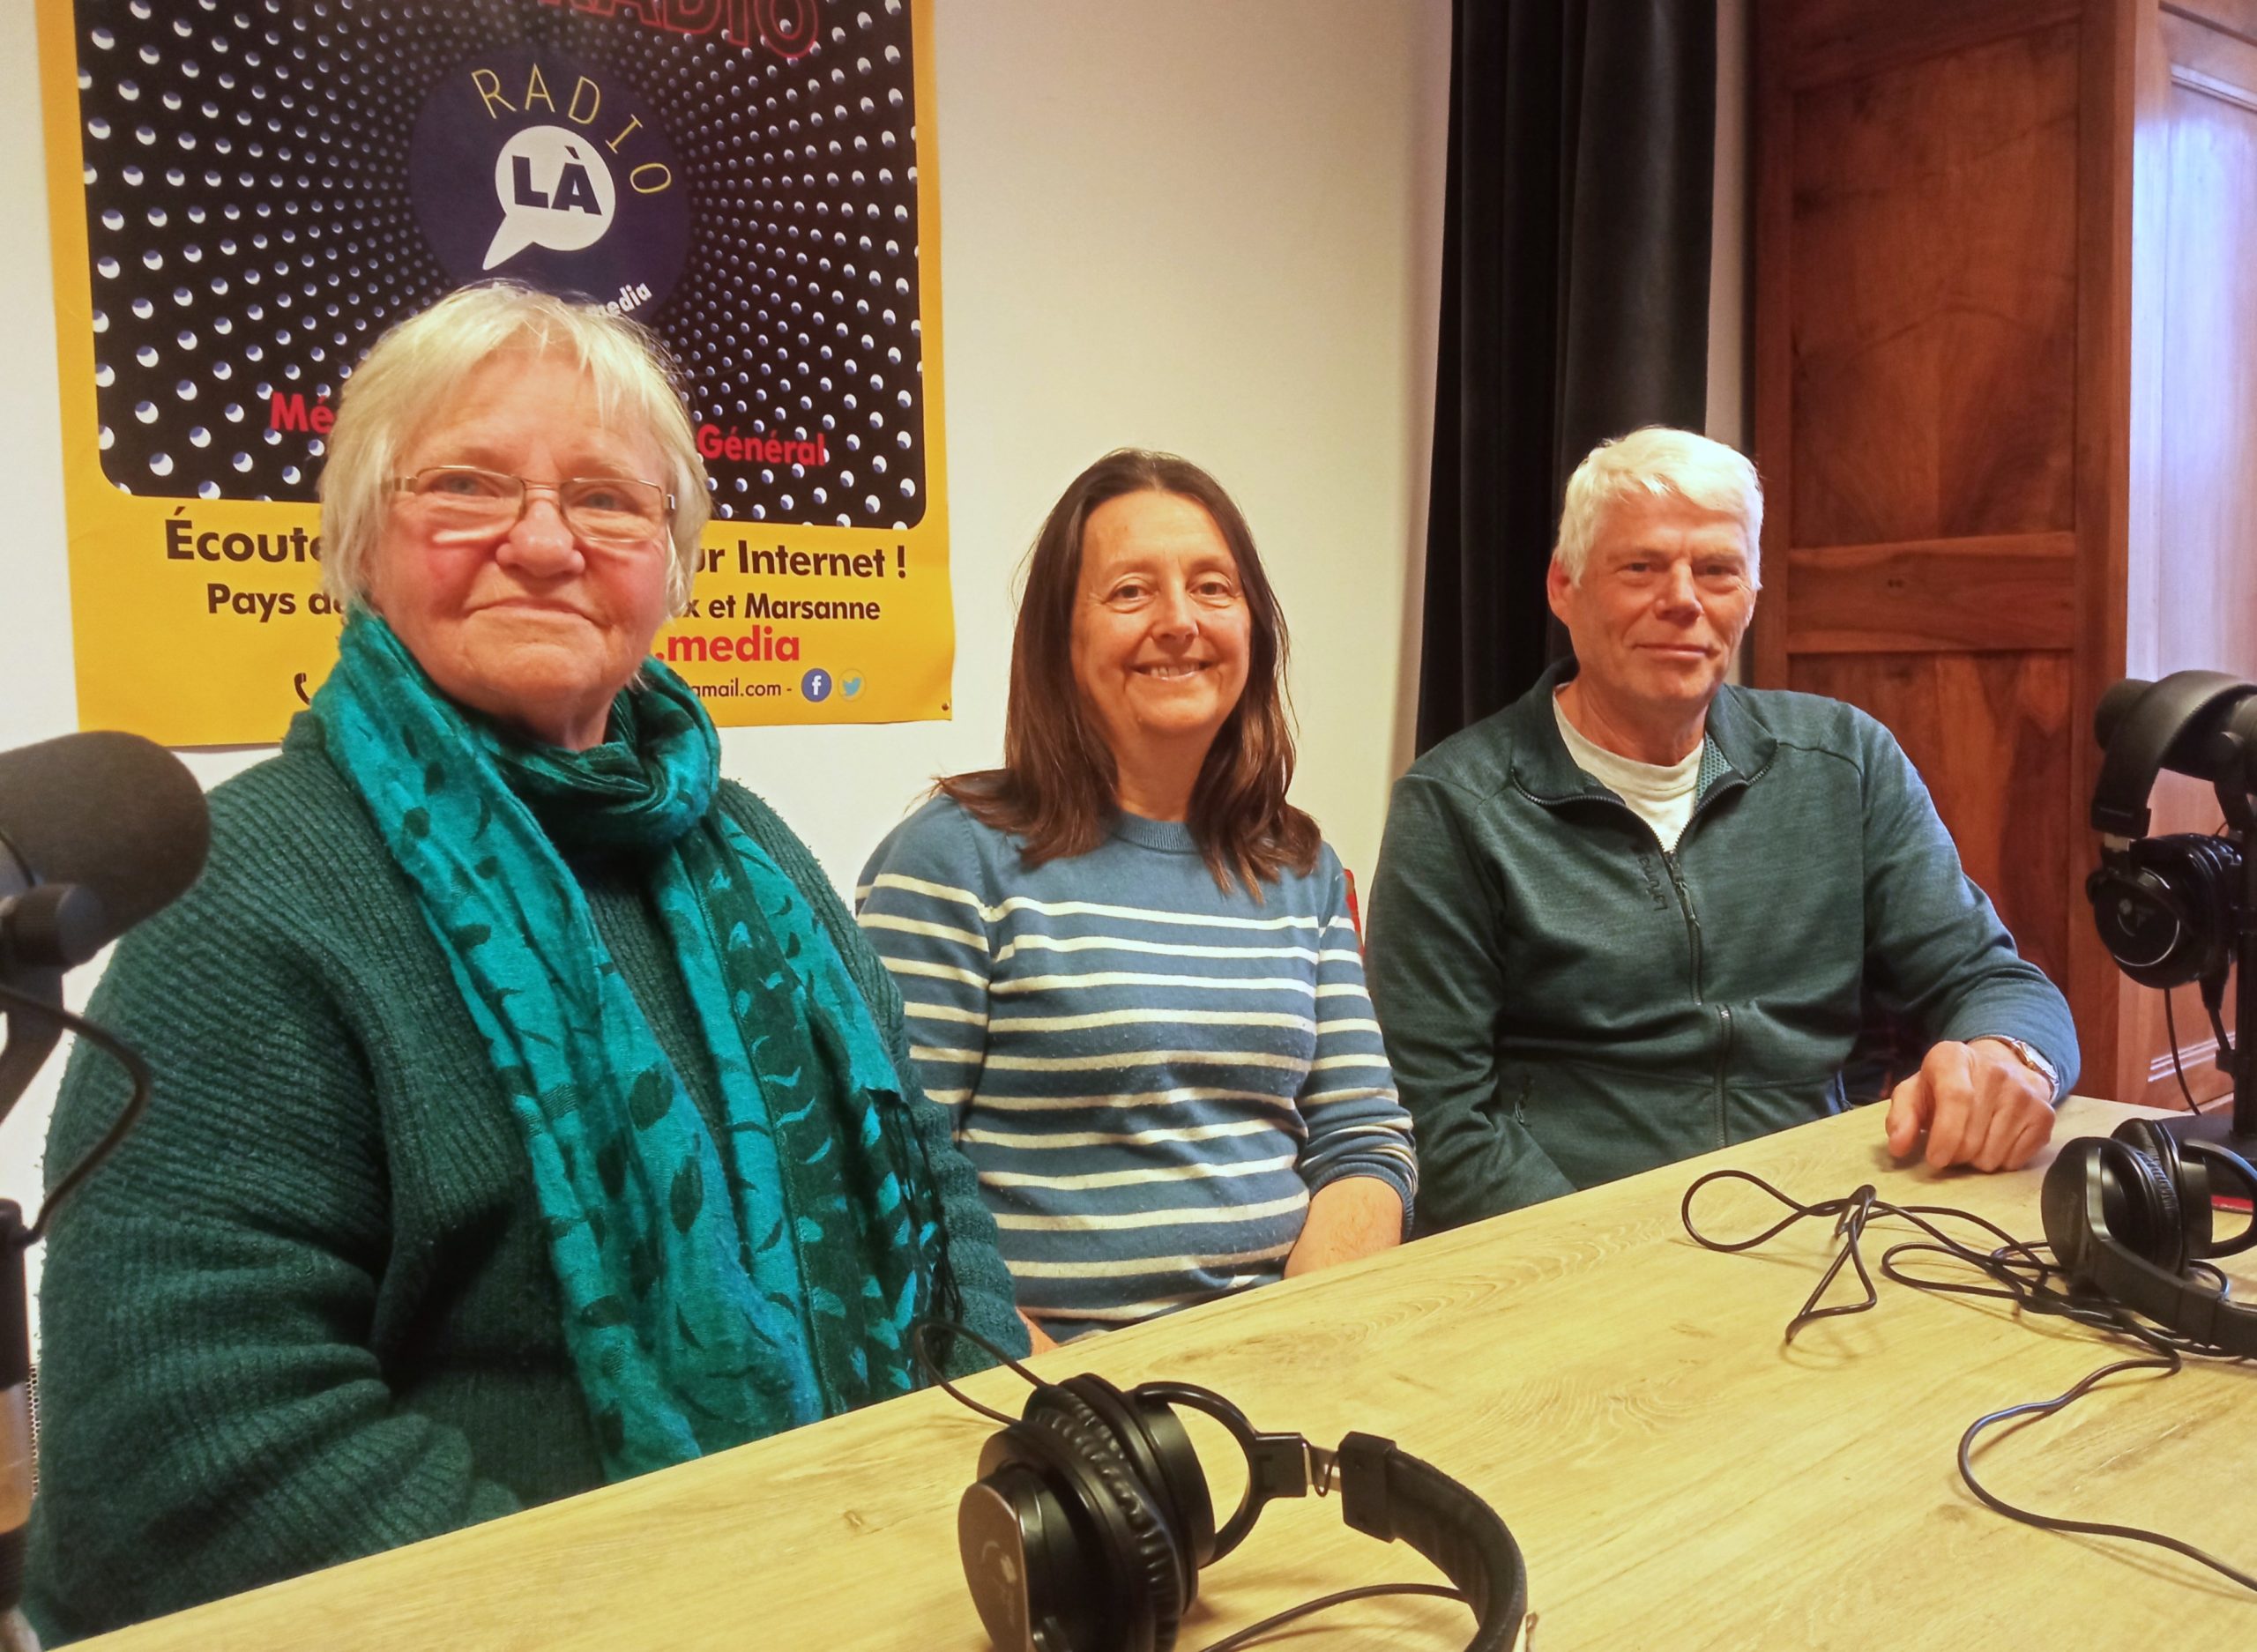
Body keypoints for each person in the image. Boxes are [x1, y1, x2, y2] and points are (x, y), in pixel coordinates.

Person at [26, 283, 1024, 1640]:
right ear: (364, 544)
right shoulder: (250, 895)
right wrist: (660, 1612)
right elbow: (197, 1444)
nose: (545, 541)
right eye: (467, 484)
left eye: (611, 500)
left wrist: (964, 1497)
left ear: (670, 566)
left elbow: (930, 1190)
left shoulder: (757, 857)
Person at [1366, 427, 2079, 1231]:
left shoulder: (1845, 761)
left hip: (1831, 1223)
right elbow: (1439, 1117)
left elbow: (1997, 982)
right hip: (1576, 1253)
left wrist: (2009, 1058)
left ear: (1751, 595)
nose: (1684, 599)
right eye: (1641, 567)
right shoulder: (1457, 806)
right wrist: (1620, 1262)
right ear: (1563, 588)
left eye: (1717, 570)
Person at [855, 450, 1417, 1346]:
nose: (1179, 622)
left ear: (1254, 630)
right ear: (1060, 642)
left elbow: (1362, 1139)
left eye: (1212, 588)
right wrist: (1075, 1405)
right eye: (1128, 593)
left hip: (1289, 1359)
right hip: (1061, 1396)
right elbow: (892, 1180)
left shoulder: (1297, 863)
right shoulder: (951, 857)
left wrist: (1305, 1340)